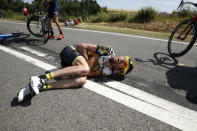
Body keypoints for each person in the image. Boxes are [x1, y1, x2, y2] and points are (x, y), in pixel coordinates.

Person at [17, 43, 134, 102]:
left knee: (81, 81)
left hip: (74, 66)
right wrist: (86, 63)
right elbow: (81, 46)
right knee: (85, 69)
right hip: (70, 51)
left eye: (124, 63)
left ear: (119, 70)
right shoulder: (108, 51)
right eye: (125, 57)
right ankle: (42, 78)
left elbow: (89, 74)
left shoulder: (107, 71)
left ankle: (41, 86)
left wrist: (95, 56)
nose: (123, 59)